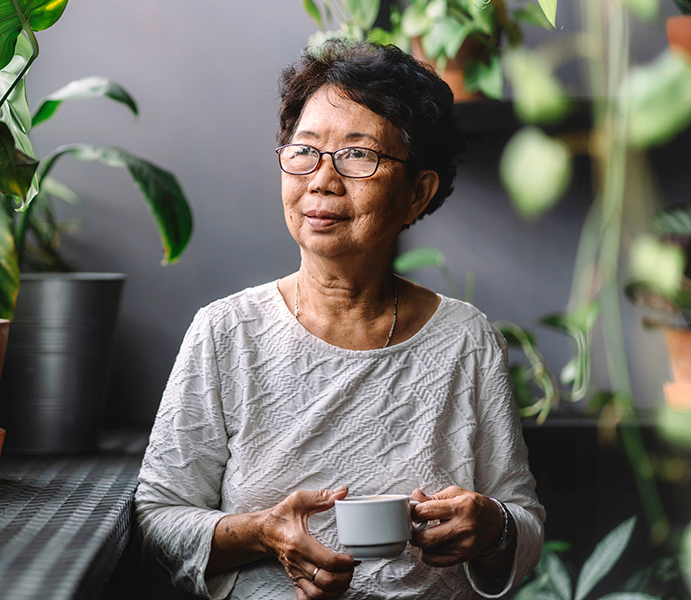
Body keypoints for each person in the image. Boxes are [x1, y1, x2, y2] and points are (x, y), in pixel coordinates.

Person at [134, 39, 545, 600]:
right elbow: (155, 518)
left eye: (358, 155)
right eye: (304, 151)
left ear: (417, 194)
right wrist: (262, 533)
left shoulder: (466, 340)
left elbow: (521, 525)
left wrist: (493, 525)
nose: (321, 180)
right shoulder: (226, 332)